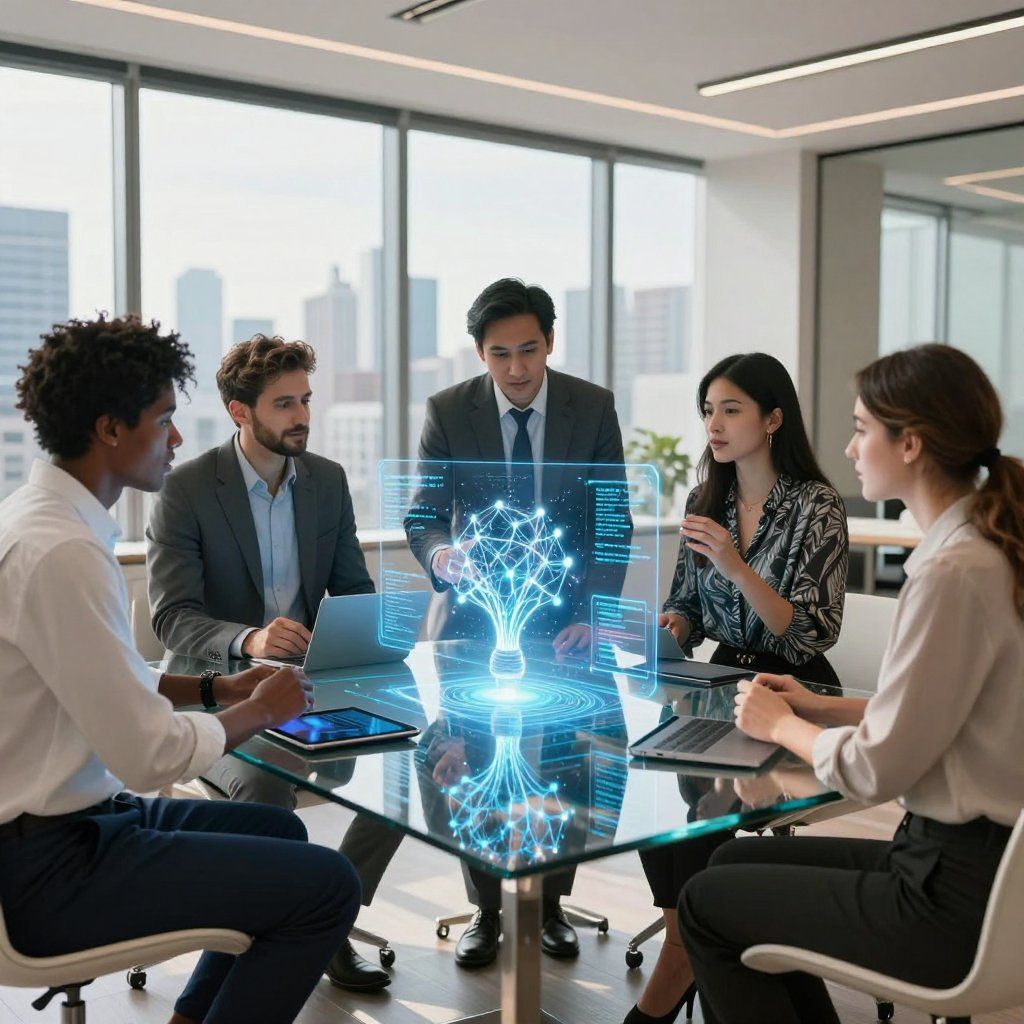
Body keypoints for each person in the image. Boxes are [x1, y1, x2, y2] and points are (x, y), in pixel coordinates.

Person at [0, 315, 360, 1024]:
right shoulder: (62, 553)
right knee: (328, 887)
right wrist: (259, 708)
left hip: (75, 824)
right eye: (163, 418)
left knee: (280, 835)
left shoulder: (44, 521)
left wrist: (214, 687)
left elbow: (97, 673)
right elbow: (148, 753)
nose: (175, 437)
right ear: (110, 427)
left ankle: (189, 1017)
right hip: (50, 866)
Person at [678, 343, 1024, 1024]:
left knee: (706, 905)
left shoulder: (952, 571)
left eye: (864, 428)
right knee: (719, 865)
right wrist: (820, 704)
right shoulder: (986, 552)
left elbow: (874, 770)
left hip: (946, 895)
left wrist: (784, 726)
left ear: (912, 444)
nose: (850, 444)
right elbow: (941, 711)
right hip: (968, 868)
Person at [146, 334, 397, 992]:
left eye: (306, 400)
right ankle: (280, 943)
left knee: (409, 759)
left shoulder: (328, 482)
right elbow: (171, 617)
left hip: (317, 689)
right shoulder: (187, 490)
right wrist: (251, 640)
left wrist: (360, 634)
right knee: (268, 787)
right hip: (222, 697)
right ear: (239, 412)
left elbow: (352, 591)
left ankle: (329, 921)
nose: (301, 416)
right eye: (284, 403)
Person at [405, 277, 629, 967]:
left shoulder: (592, 408)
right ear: (480, 354)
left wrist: (594, 614)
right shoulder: (448, 410)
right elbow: (422, 515)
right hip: (473, 621)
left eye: (529, 350)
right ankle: (486, 910)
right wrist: (441, 553)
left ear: (550, 342)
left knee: (575, 760)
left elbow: (611, 521)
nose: (517, 368)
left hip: (566, 625)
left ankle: (551, 904)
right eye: (500, 354)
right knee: (466, 758)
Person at [629, 352, 849, 1024]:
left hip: (792, 686)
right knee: (648, 776)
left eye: (730, 409)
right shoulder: (709, 500)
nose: (713, 425)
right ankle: (682, 934)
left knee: (700, 806)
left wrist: (735, 561)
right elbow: (689, 608)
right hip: (718, 675)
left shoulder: (817, 506)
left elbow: (810, 630)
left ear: (772, 418)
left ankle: (676, 969)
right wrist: (675, 622)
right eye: (707, 410)